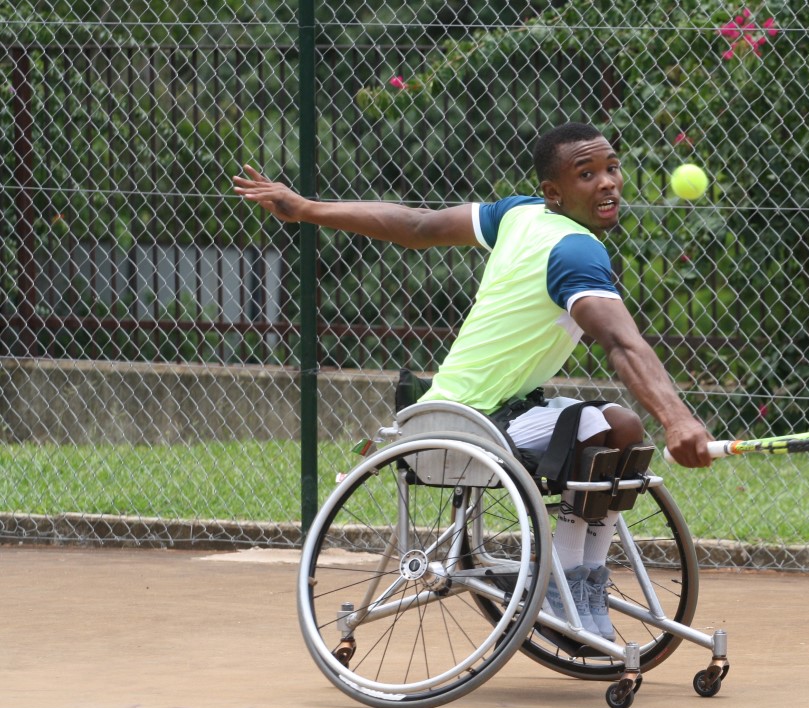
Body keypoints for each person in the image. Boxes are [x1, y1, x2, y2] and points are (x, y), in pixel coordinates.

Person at [232, 121, 713, 642]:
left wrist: (305, 207)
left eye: (612, 168)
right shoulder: (575, 251)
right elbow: (621, 342)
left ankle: (581, 578)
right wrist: (677, 419)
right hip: (470, 425)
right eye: (587, 174)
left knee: (621, 427)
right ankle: (561, 582)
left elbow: (416, 226)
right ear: (553, 193)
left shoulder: (518, 213)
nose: (608, 182)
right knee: (602, 429)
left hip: (472, 414)